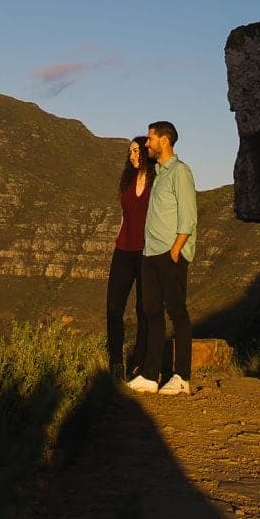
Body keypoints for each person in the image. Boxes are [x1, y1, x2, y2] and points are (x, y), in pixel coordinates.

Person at [127, 120, 196, 396]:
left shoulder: (180, 172)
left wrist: (175, 250)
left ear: (164, 140)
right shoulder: (158, 173)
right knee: (152, 313)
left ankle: (182, 377)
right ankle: (150, 375)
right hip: (150, 254)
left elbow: (188, 217)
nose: (147, 144)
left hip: (170, 254)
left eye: (150, 138)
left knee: (177, 313)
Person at [106, 137, 154, 379]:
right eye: (130, 152)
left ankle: (139, 363)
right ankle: (116, 363)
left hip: (147, 251)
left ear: (145, 152)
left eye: (136, 151)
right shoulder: (127, 181)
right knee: (114, 307)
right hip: (124, 249)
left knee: (143, 308)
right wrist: (118, 234)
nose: (132, 156)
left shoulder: (157, 181)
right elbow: (125, 214)